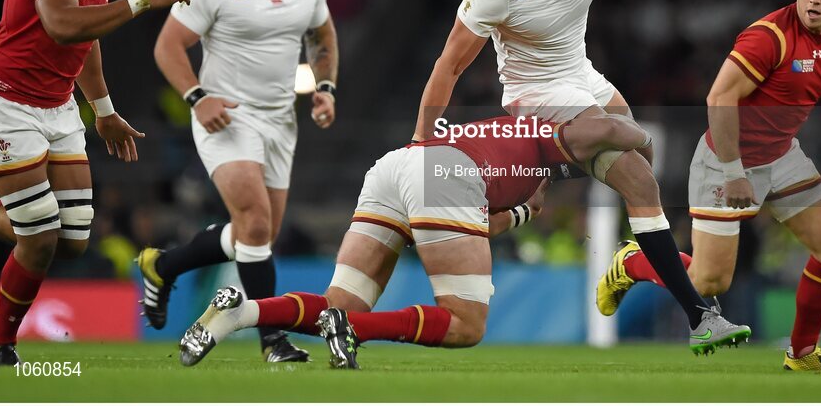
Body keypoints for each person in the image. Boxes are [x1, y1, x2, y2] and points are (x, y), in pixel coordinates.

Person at [178, 114, 750, 369]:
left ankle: (242, 312)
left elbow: (483, 225)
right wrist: (646, 142)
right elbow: (601, 129)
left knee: (339, 305)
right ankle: (352, 332)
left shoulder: (520, 159)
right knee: (467, 323)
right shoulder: (542, 130)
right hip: (446, 175)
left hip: (398, 168)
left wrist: (522, 213)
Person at [411, 0, 713, 335]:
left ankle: (617, 250)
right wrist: (421, 141)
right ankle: (701, 317)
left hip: (582, 74)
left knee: (644, 170)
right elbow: (449, 66)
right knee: (632, 157)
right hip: (533, 93)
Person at [596, 0, 821, 372]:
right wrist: (734, 173)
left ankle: (801, 355)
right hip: (725, 160)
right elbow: (720, 97)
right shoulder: (769, 36)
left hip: (782, 157)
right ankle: (632, 262)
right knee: (710, 281)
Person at [0, 0, 193, 366]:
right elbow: (63, 24)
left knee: (71, 239)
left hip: (57, 103)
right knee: (39, 236)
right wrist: (145, 1)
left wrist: (103, 109)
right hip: (4, 102)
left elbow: (86, 37)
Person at [137, 0, 338, 363]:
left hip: (280, 118)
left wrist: (325, 86)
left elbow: (323, 34)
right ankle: (272, 340)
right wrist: (197, 97)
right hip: (224, 114)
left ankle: (163, 265)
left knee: (257, 235)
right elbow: (168, 46)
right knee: (254, 222)